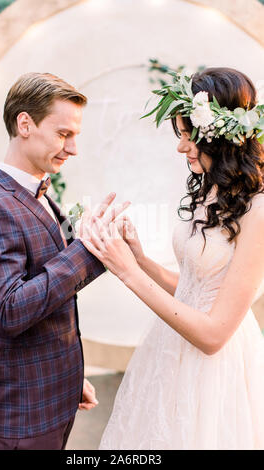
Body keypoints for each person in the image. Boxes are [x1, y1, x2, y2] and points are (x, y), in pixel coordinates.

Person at [80, 67, 264, 450]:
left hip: (217, 367)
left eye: (186, 135)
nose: (181, 148)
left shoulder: (258, 211)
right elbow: (195, 289)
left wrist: (130, 274)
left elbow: (213, 335)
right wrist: (141, 259)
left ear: (216, 134)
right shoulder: (210, 190)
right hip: (172, 348)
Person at [0, 72, 129, 450]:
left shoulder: (41, 193)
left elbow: (55, 292)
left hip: (52, 396)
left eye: (75, 136)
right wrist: (85, 248)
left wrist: (70, 379)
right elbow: (9, 310)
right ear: (25, 123)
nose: (72, 148)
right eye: (63, 134)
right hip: (21, 416)